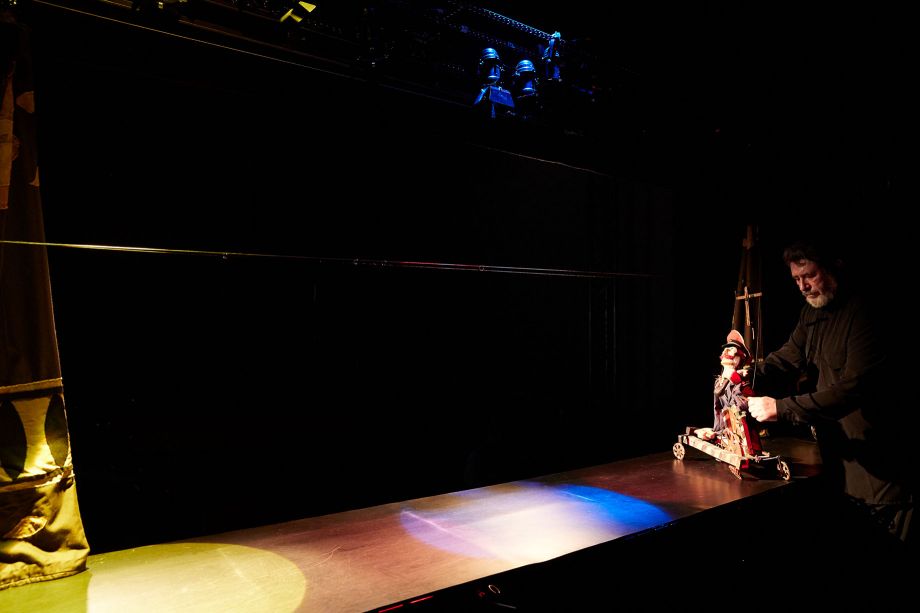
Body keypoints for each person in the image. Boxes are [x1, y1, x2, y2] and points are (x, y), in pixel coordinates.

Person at [746, 238, 914, 551]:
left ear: (834, 267)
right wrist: (746, 370)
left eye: (809, 275)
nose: (803, 287)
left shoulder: (865, 314)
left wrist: (781, 408)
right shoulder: (811, 314)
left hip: (882, 477)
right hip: (840, 467)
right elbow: (788, 357)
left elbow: (851, 391)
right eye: (796, 279)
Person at [694, 329, 754, 443]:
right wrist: (717, 431)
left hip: (742, 432)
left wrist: (735, 377)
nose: (727, 353)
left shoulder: (743, 380)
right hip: (727, 432)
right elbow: (718, 408)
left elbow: (744, 405)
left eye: (733, 352)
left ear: (740, 359)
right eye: (726, 350)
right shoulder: (719, 382)